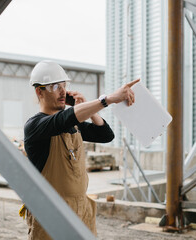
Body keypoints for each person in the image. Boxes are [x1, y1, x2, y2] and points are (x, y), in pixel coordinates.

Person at [23, 60, 139, 239]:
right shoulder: (36, 126)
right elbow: (62, 120)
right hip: (50, 213)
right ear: (39, 91)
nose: (62, 91)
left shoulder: (74, 126)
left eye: (64, 85)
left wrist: (90, 109)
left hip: (81, 209)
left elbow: (105, 135)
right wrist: (107, 99)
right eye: (55, 86)